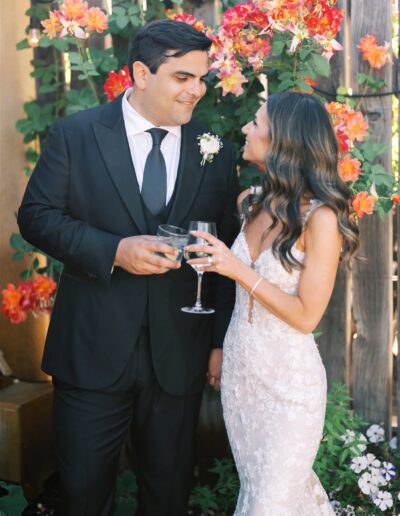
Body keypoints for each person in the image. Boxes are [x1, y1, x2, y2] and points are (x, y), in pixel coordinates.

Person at [17, 19, 239, 516]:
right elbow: (36, 218)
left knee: (167, 497)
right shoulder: (76, 135)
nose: (196, 91)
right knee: (83, 497)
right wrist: (113, 250)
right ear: (141, 73)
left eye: (201, 78)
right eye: (182, 77)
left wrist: (220, 340)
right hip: (92, 350)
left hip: (179, 355)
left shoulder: (216, 151)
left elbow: (229, 254)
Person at [186, 91, 359, 515]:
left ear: (283, 141)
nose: (246, 129)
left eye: (256, 123)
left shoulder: (322, 219)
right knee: (267, 494)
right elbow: (234, 296)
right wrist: (222, 348)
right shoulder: (251, 203)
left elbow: (306, 316)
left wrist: (235, 268)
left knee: (269, 505)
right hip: (243, 381)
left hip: (288, 389)